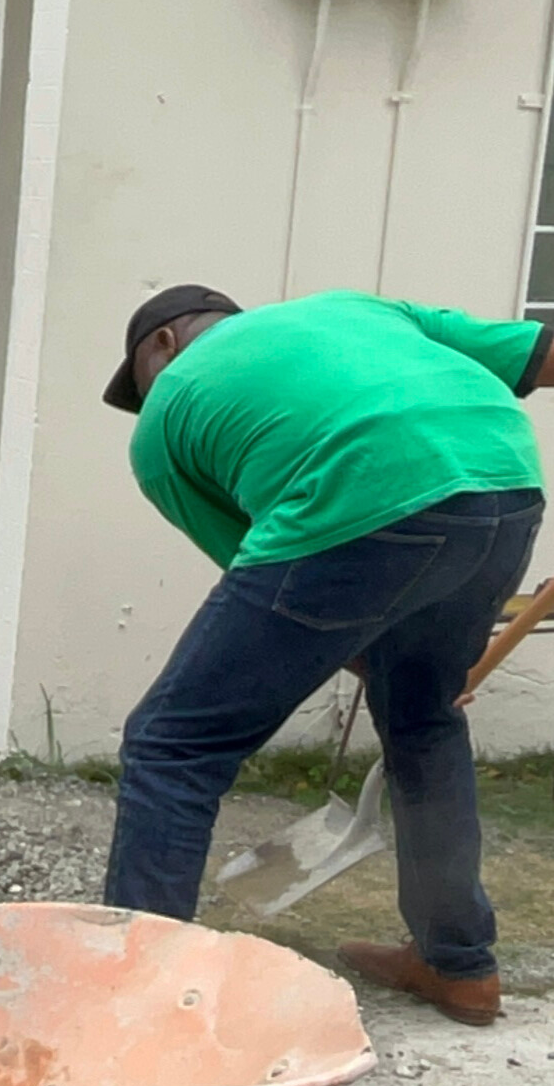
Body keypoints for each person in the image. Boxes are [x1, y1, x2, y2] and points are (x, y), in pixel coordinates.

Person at [101, 283, 550, 1026]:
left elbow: (274, 582)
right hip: (505, 483)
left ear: (164, 346)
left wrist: (367, 650)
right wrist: (409, 664)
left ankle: (143, 1008)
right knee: (424, 719)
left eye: (139, 385)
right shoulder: (360, 310)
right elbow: (540, 352)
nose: (147, 400)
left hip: (356, 499)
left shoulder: (162, 427)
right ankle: (458, 965)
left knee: (171, 744)